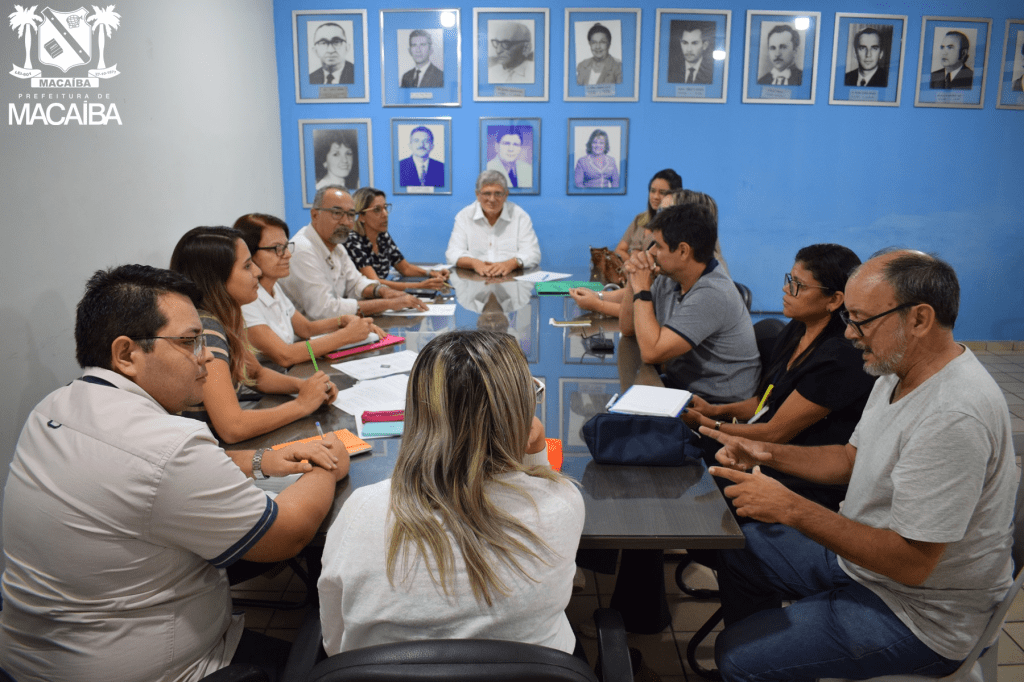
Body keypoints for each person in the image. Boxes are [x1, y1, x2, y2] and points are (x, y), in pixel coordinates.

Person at [0, 264, 349, 682]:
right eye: (188, 342)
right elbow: (286, 535)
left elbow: (149, 474)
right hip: (159, 669)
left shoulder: (55, 406)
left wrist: (261, 460)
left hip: (36, 658)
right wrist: (328, 462)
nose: (204, 358)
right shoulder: (167, 443)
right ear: (126, 353)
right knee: (331, 653)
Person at [706, 250, 1018, 682]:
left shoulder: (953, 415)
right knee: (738, 549)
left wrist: (791, 507)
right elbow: (851, 458)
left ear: (919, 319)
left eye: (860, 320)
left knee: (737, 656)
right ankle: (786, 656)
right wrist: (766, 453)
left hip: (918, 615)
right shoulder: (895, 370)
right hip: (865, 568)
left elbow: (912, 563)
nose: (850, 334)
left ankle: (769, 660)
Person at [319, 330, 583, 655]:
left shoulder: (361, 510)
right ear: (520, 414)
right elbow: (543, 488)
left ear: (418, 413)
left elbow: (334, 645)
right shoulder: (563, 503)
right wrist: (533, 452)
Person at [683, 244, 875, 509]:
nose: (787, 289)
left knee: (691, 479)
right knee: (675, 455)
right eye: (789, 280)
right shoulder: (797, 328)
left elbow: (775, 433)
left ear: (834, 300)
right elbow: (767, 401)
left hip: (800, 472)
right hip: (762, 446)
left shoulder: (840, 356)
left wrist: (707, 424)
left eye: (799, 286)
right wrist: (715, 411)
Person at [169, 226, 340, 443]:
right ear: (217, 279)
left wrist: (305, 387)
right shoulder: (206, 331)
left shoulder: (224, 318)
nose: (258, 272)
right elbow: (232, 427)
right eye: (248, 266)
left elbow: (257, 374)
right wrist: (301, 404)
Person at [619, 202, 759, 403]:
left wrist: (642, 289)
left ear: (683, 251)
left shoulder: (713, 293)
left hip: (715, 405)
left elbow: (651, 353)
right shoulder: (671, 277)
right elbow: (627, 328)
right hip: (682, 387)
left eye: (658, 246)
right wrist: (635, 277)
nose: (652, 253)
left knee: (611, 427)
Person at [234, 213, 384, 368]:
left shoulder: (273, 287)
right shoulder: (246, 300)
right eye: (277, 248)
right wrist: (346, 336)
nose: (287, 255)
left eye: (286, 246)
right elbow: (285, 355)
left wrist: (344, 321)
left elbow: (306, 328)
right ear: (249, 253)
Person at [280, 186, 428, 321]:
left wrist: (382, 291)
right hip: (306, 344)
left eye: (351, 214)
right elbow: (325, 310)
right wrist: (388, 303)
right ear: (315, 215)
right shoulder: (302, 249)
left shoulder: (337, 248)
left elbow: (356, 283)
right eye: (337, 213)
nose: (346, 221)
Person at [578, 188, 728, 318]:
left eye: (665, 213)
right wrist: (599, 296)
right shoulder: (672, 267)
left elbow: (646, 316)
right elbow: (644, 301)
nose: (658, 218)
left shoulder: (700, 276)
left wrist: (598, 304)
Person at [345, 187, 450, 291]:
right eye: (377, 210)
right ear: (361, 216)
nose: (385, 214)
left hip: (381, 296)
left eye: (385, 208)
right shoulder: (352, 240)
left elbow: (405, 268)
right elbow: (374, 282)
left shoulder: (382, 236)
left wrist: (431, 273)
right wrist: (420, 286)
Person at [446, 170, 541, 277]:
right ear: (477, 195)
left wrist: (511, 263)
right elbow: (452, 253)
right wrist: (475, 263)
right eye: (487, 193)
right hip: (474, 280)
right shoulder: (464, 216)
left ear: (506, 195)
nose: (492, 199)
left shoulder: (520, 216)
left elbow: (533, 254)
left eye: (498, 194)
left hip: (510, 280)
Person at [614, 169, 682, 261]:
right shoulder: (640, 219)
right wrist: (634, 264)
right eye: (652, 191)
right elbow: (619, 250)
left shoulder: (677, 224)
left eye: (662, 193)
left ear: (674, 195)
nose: (655, 197)